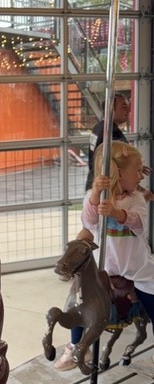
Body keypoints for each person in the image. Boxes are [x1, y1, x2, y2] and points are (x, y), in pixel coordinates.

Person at [55, 141, 154, 370]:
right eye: (137, 170)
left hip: (136, 267)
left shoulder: (136, 198)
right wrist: (96, 194)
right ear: (119, 173)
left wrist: (117, 213)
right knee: (78, 298)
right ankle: (76, 345)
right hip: (104, 267)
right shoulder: (94, 197)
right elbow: (89, 222)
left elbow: (139, 225)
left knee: (152, 293)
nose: (141, 176)